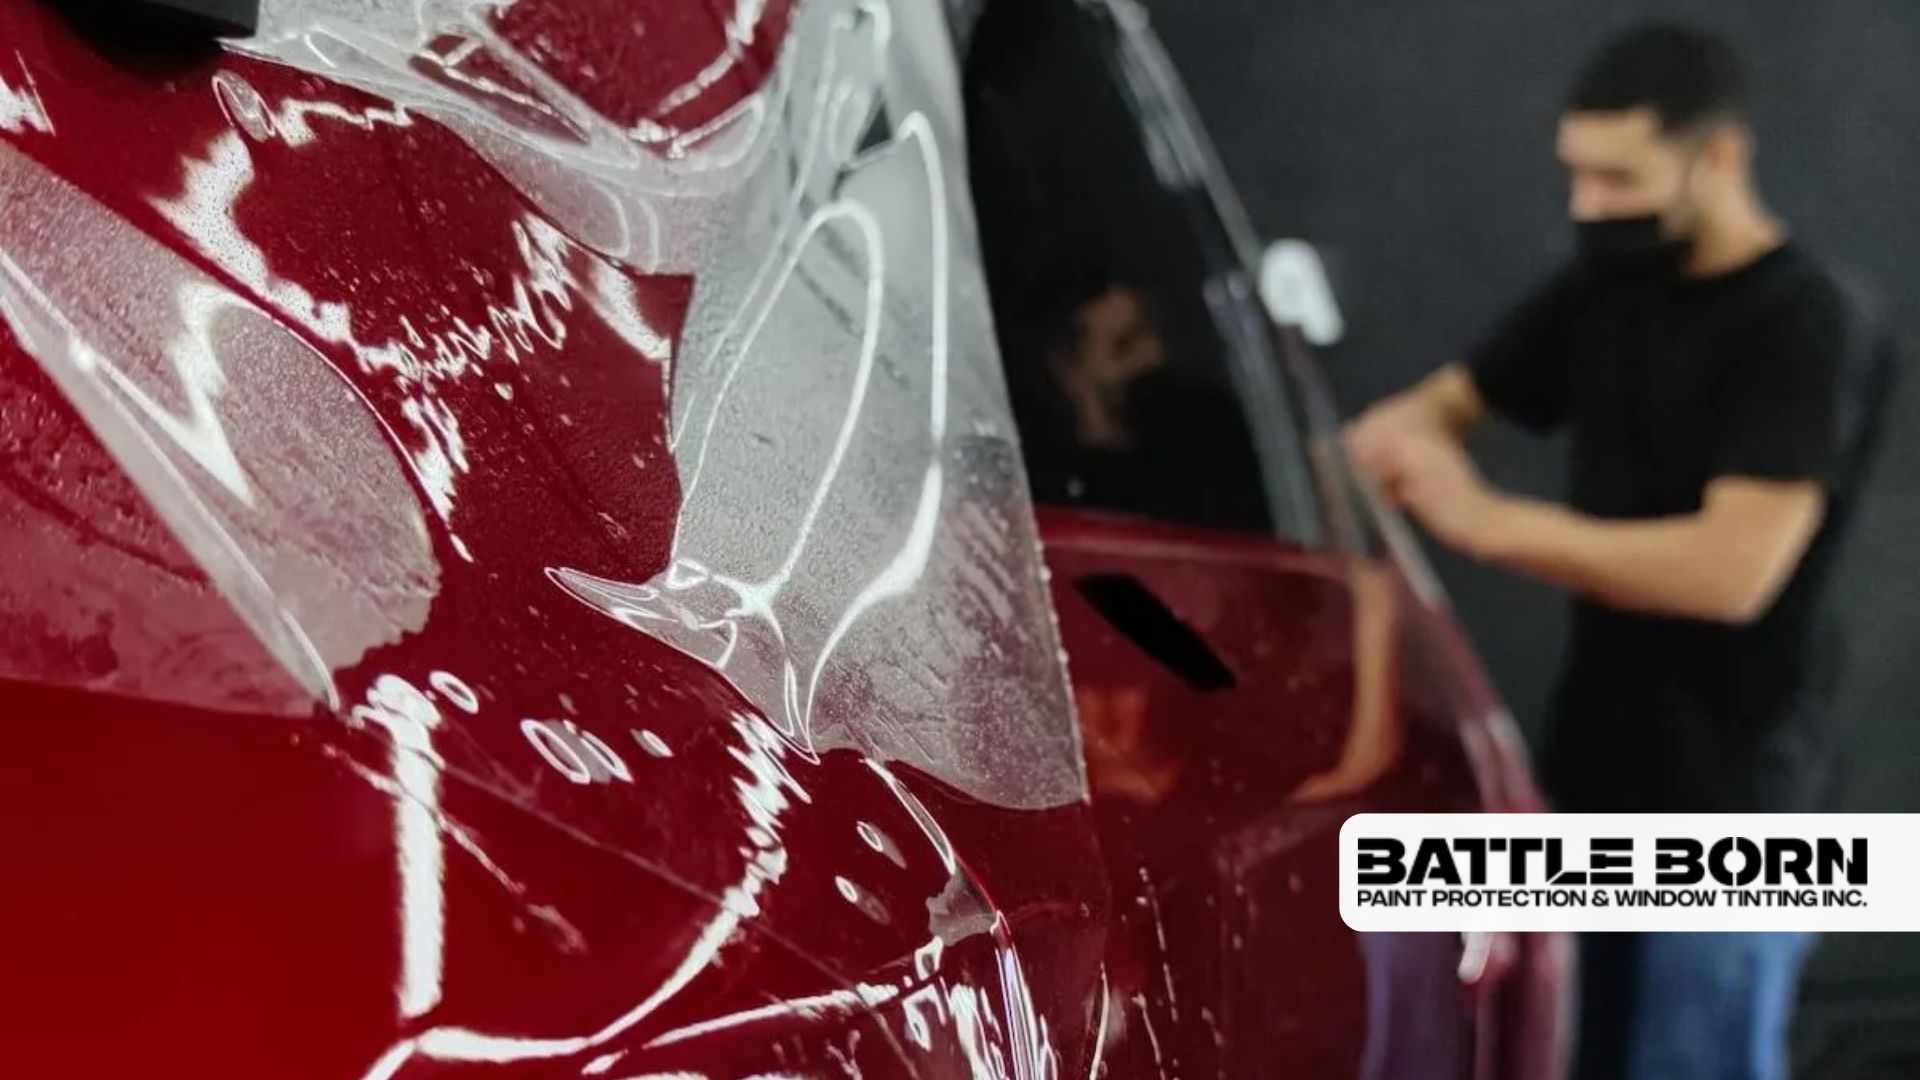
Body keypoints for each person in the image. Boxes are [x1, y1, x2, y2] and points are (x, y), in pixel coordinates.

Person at [1346, 23, 1885, 1080]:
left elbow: (1732, 574)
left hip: (1742, 798)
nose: (1592, 206)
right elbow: (1402, 428)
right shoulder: (1605, 289)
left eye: (1621, 177)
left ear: (1718, 156)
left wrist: (1481, 520)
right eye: (1578, 176)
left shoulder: (1807, 324)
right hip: (1593, 772)